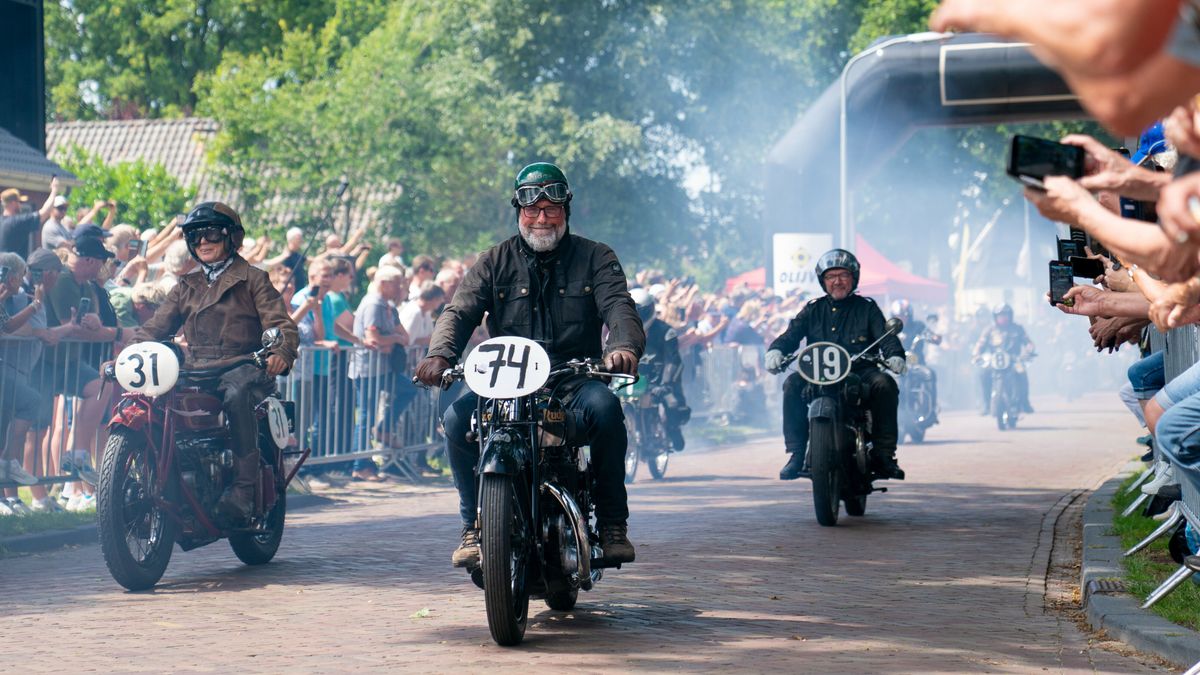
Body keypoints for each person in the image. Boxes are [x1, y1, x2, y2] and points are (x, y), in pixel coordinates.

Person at [415, 161, 644, 569]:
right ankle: (472, 525)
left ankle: (612, 524)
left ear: (566, 211)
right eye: (531, 209)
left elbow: (619, 307)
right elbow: (459, 311)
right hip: (506, 380)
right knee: (455, 419)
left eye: (550, 209)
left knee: (607, 411)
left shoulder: (596, 257)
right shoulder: (493, 261)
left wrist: (623, 346)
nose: (541, 218)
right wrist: (440, 354)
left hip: (572, 378)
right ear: (518, 211)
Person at [131, 202, 299, 523]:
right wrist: (130, 354)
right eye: (194, 237)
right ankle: (158, 480)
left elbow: (280, 323)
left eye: (210, 233)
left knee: (236, 397)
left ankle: (243, 490)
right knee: (158, 399)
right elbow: (155, 327)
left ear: (231, 237)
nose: (202, 242)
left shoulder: (253, 279)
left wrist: (281, 352)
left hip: (244, 365)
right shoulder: (186, 285)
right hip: (196, 368)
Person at [764, 249, 907, 481]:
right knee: (791, 383)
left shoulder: (867, 308)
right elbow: (792, 334)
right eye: (831, 276)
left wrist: (895, 355)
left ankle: (884, 454)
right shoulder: (813, 309)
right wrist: (776, 350)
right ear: (823, 281)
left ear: (854, 278)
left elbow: (885, 335)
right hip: (816, 374)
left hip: (860, 370)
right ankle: (797, 453)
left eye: (843, 275)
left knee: (885, 384)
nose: (837, 281)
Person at [630, 288, 690, 451]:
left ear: (648, 310)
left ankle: (673, 428)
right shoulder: (622, 332)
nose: (635, 316)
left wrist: (666, 383)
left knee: (672, 402)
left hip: (661, 375)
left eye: (638, 312)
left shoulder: (665, 331)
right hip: (636, 376)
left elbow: (672, 359)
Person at [972, 304, 1036, 415]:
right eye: (1000, 315)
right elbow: (980, 345)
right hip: (994, 361)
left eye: (1005, 315)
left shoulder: (1018, 328)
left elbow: (1028, 343)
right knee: (983, 374)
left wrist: (1029, 350)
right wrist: (976, 355)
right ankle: (986, 404)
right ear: (995, 317)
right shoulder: (989, 330)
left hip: (1014, 360)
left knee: (1022, 373)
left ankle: (1025, 402)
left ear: (1010, 316)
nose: (1003, 318)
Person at [1, 178, 62, 257]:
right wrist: (54, 190)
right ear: (13, 203)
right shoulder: (16, 221)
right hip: (14, 267)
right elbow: (44, 213)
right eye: (19, 202)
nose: (20, 205)